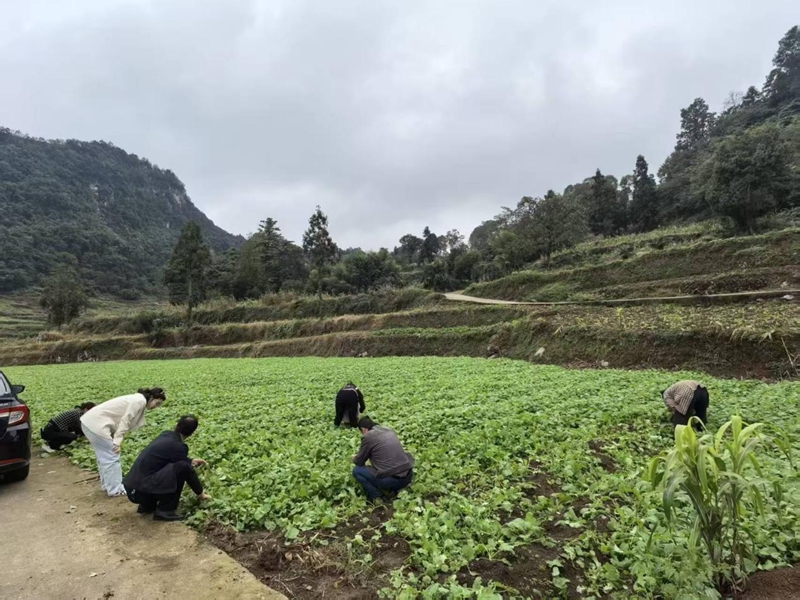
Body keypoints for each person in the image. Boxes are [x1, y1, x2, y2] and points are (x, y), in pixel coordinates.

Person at [80, 387, 166, 497]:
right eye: (157, 403)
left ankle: (107, 485)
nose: (155, 407)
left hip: (90, 422)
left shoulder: (137, 399)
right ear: (152, 397)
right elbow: (126, 420)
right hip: (96, 425)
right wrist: (117, 441)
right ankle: (116, 489)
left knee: (104, 457)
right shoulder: (140, 401)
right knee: (111, 456)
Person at [123, 415, 211, 521]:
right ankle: (166, 510)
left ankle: (147, 506)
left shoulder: (166, 435)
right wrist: (200, 493)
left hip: (132, 488)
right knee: (182, 468)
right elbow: (186, 469)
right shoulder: (180, 447)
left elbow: (165, 457)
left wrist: (190, 461)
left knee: (173, 466)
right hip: (141, 492)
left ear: (176, 425)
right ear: (192, 433)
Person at [352, 417, 414, 503]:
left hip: (392, 481)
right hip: (408, 476)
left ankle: (378, 496)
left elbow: (359, 461)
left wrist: (354, 457)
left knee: (357, 471)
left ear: (364, 430)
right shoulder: (389, 430)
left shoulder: (368, 437)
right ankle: (398, 489)